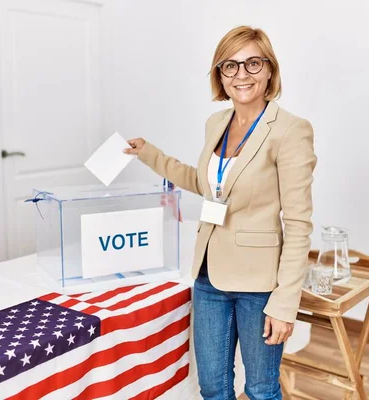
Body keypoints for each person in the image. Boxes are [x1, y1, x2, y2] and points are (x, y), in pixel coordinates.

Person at [124, 25, 317, 400]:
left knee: (260, 389)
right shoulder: (217, 123)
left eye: (252, 64)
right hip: (208, 275)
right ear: (220, 75)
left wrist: (285, 302)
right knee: (212, 387)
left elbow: (298, 225)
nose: (241, 74)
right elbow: (206, 184)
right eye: (230, 66)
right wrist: (150, 153)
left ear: (270, 70)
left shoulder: (291, 130)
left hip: (260, 286)